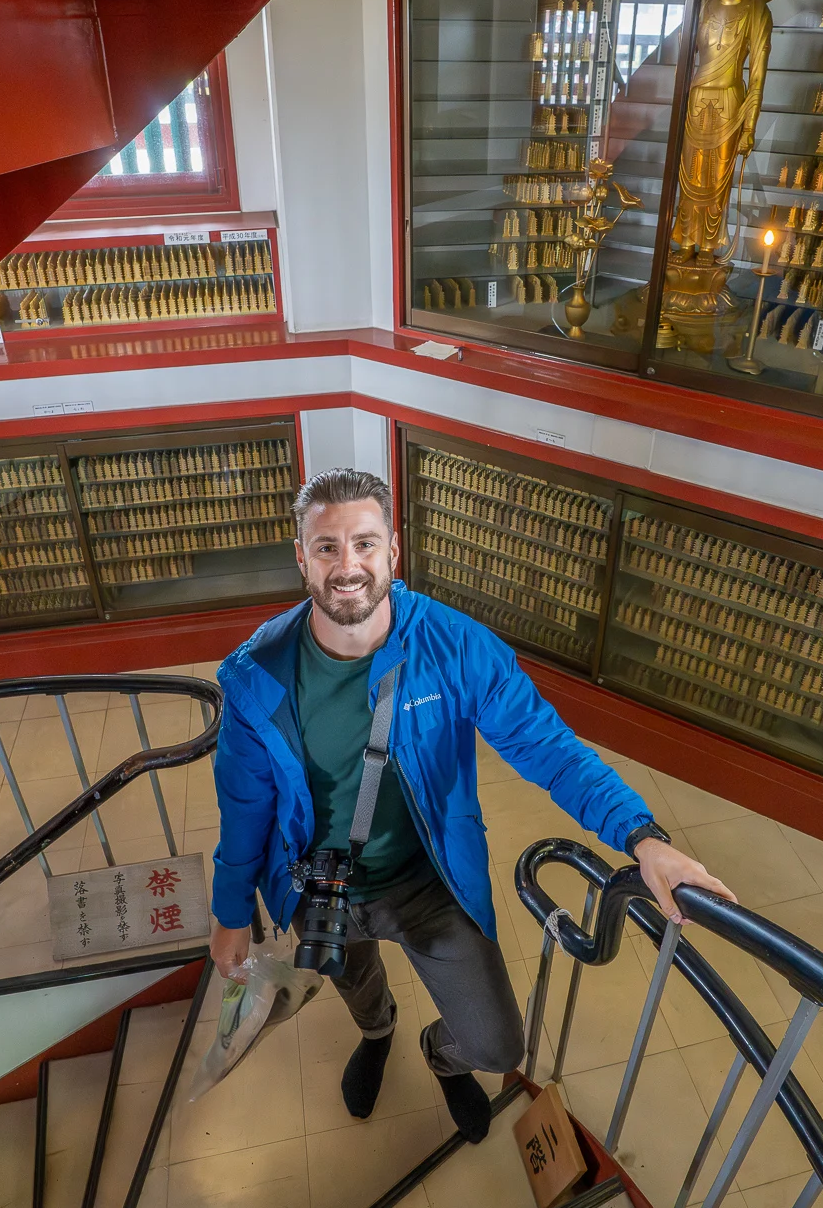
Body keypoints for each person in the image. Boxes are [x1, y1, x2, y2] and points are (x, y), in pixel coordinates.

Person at [210, 468, 736, 1143]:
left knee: (496, 1044)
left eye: (365, 544)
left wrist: (643, 836)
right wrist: (231, 914)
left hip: (431, 881)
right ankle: (377, 1032)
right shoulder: (257, 674)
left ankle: (441, 1055)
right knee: (355, 979)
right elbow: (245, 810)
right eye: (327, 547)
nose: (348, 567)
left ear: (393, 550)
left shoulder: (456, 648)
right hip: (321, 885)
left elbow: (550, 749)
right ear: (301, 557)